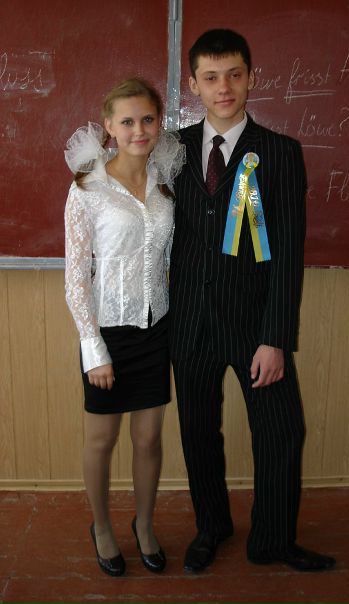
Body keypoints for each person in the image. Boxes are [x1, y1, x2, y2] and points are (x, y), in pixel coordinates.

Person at [169, 29, 336, 573]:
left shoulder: (281, 153)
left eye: (235, 75)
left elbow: (286, 252)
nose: (224, 87)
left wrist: (276, 337)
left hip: (255, 323)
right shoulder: (169, 151)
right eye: (211, 77)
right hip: (189, 323)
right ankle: (211, 527)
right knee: (198, 433)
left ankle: (272, 540)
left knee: (281, 431)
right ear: (193, 83)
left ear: (251, 78)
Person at [64, 77, 185, 577]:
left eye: (148, 119)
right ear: (109, 127)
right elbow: (75, 277)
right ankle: (101, 527)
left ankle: (145, 524)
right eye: (128, 121)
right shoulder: (87, 190)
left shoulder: (165, 186)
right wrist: (93, 348)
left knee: (149, 439)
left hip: (156, 327)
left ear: (159, 123)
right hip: (107, 332)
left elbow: (170, 260)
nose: (139, 130)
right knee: (101, 440)